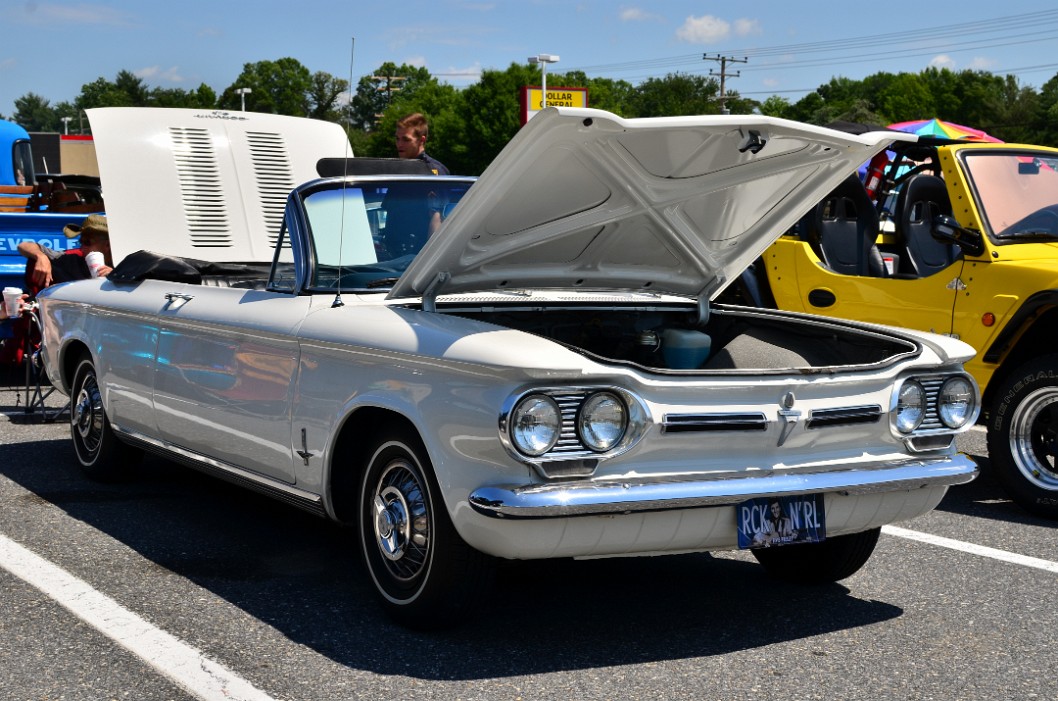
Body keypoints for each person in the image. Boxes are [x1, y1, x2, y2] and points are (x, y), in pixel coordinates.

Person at [18, 213, 113, 291]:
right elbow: (23, 246)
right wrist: (41, 256)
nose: (82, 248)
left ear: (107, 245)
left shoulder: (124, 266)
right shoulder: (70, 260)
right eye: (81, 243)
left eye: (87, 243)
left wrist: (118, 278)